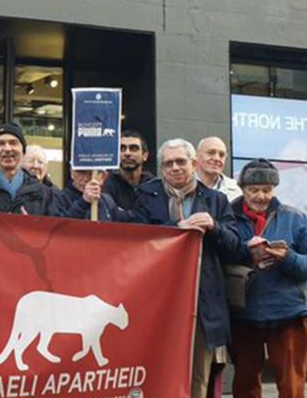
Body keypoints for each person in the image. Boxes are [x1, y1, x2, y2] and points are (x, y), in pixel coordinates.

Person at [129, 138, 240, 398]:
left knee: (198, 378)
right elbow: (135, 238)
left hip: (202, 302)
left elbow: (236, 248)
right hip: (158, 301)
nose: (175, 168)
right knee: (156, 370)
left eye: (181, 161)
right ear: (161, 168)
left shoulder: (216, 200)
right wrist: (175, 229)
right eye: (168, 163)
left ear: (194, 164)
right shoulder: (145, 196)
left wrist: (215, 227)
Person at [228, 159, 306, 398]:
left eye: (267, 189)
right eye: (254, 189)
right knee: (245, 384)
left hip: (288, 313)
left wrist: (287, 257)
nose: (261, 196)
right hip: (243, 313)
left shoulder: (295, 218)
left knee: (292, 385)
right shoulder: (227, 216)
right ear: (242, 188)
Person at [0, 123, 56, 215]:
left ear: (23, 151)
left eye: (13, 143)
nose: (7, 148)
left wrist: (31, 223)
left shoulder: (43, 193)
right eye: (0, 143)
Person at [102, 129, 153, 210]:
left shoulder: (153, 186)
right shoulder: (105, 184)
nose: (127, 153)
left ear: (145, 155)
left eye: (134, 148)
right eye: (122, 149)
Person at [62, 169, 128, 222]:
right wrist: (83, 202)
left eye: (91, 173)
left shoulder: (107, 200)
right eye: (81, 172)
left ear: (103, 177)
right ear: (71, 173)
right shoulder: (61, 198)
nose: (86, 179)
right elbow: (63, 229)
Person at [196, 136, 242, 202]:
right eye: (211, 153)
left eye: (221, 155)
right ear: (197, 156)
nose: (217, 158)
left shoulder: (237, 190)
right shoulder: (183, 185)